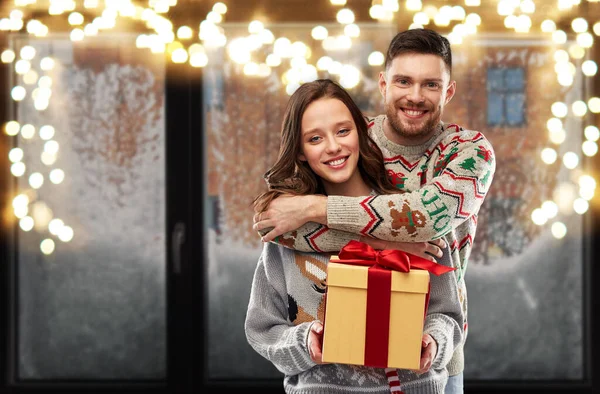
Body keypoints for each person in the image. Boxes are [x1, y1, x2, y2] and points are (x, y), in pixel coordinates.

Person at [252, 29, 496, 394]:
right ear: (383, 84)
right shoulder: (350, 139)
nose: (415, 96)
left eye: (430, 84)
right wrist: (385, 246)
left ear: (448, 91)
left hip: (429, 357)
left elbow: (425, 221)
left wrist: (314, 207)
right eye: (403, 81)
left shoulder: (468, 151)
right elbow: (279, 221)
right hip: (328, 373)